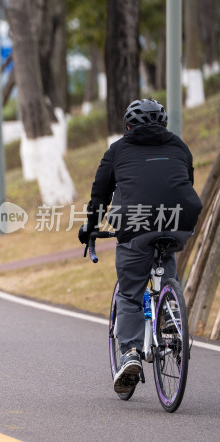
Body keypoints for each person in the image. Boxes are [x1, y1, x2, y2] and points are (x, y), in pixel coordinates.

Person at [78, 98, 202, 394]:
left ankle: (130, 353)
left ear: (129, 125)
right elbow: (185, 180)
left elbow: (100, 195)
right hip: (180, 219)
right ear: (163, 124)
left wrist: (91, 227)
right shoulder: (179, 146)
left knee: (131, 291)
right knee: (165, 254)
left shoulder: (118, 149)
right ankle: (170, 311)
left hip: (135, 226)